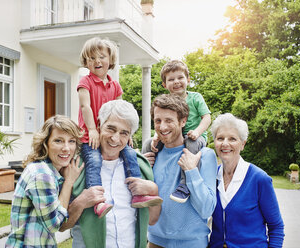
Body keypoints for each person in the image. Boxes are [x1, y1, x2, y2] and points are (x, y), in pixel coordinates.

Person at [59, 99, 162, 248]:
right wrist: (81, 202)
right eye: (111, 129)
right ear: (99, 126)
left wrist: (153, 190)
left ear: (129, 137)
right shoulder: (75, 167)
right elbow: (61, 225)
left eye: (124, 133)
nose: (115, 138)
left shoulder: (140, 167)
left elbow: (152, 220)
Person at [78, 37, 160, 218]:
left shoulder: (115, 85)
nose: (97, 61)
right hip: (89, 135)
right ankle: (98, 201)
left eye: (101, 56)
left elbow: (122, 111)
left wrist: (126, 132)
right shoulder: (86, 82)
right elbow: (86, 107)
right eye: (91, 58)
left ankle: (137, 194)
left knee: (130, 155)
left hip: (110, 131)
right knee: (94, 162)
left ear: (111, 60)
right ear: (86, 62)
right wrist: (93, 129)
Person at [143, 94, 217, 247]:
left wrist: (191, 171)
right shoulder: (152, 155)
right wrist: (141, 169)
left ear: (183, 121)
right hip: (155, 242)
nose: (162, 127)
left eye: (169, 120)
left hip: (192, 244)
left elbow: (206, 210)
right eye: (158, 121)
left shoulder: (204, 155)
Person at [6, 115, 84, 247]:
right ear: (45, 143)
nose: (66, 148)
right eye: (58, 141)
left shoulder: (49, 171)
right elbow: (54, 225)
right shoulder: (42, 174)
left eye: (71, 141)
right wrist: (69, 182)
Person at [209, 113, 285, 248]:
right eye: (220, 138)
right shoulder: (211, 176)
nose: (225, 143)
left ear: (242, 144)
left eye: (232, 139)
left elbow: (276, 226)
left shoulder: (259, 179)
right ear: (215, 142)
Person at [143, 60, 211, 203]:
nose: (176, 82)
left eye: (180, 78)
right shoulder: (165, 102)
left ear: (188, 79)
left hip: (195, 136)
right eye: (171, 79)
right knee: (149, 143)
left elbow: (207, 118)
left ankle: (184, 185)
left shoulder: (195, 97)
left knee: (190, 144)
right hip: (173, 136)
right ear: (164, 84)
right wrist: (156, 136)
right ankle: (145, 177)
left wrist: (197, 132)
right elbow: (161, 122)